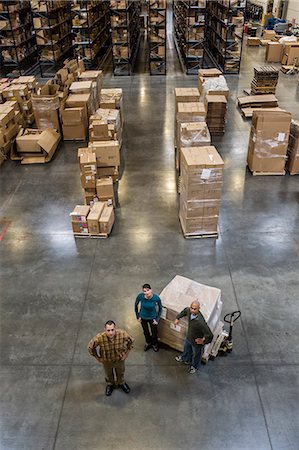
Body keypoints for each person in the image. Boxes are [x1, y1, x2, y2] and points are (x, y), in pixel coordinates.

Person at [87, 320, 134, 396]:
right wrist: (98, 358)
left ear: (115, 328)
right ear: (105, 330)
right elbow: (90, 347)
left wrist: (126, 354)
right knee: (108, 373)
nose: (111, 332)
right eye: (108, 330)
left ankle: (121, 382)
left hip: (119, 359)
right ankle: (110, 384)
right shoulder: (100, 338)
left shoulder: (122, 334)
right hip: (106, 360)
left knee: (121, 372)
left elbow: (131, 340)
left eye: (112, 330)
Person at [174, 300, 213, 374]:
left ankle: (194, 366)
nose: (192, 310)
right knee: (186, 349)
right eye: (191, 308)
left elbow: (210, 335)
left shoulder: (200, 322)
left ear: (199, 309)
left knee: (196, 356)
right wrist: (177, 318)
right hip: (189, 337)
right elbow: (184, 311)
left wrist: (203, 341)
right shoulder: (189, 311)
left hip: (196, 342)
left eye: (195, 309)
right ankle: (185, 358)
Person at [135, 283, 163, 352]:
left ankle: (154, 343)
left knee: (154, 332)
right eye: (144, 291)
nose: (146, 292)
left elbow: (160, 308)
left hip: (152, 318)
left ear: (151, 290)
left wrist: (157, 319)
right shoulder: (140, 297)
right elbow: (136, 306)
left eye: (148, 290)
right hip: (143, 317)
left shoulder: (156, 298)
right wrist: (138, 316)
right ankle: (148, 342)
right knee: (145, 331)